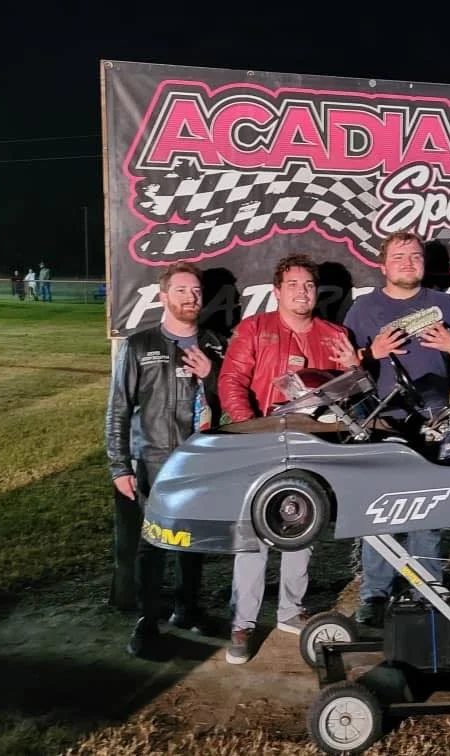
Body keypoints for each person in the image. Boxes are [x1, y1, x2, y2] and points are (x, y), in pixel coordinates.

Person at [218, 254, 358, 664]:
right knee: (253, 532)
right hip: (259, 443)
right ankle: (243, 622)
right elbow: (231, 381)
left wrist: (353, 369)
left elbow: (349, 394)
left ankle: (290, 609)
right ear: (277, 291)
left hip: (311, 446)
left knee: (302, 526)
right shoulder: (255, 329)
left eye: (309, 285)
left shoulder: (334, 334)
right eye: (293, 285)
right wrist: (251, 429)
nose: (302, 292)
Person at [343, 231, 450, 627]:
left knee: (428, 509)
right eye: (399, 256)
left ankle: (427, 589)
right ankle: (374, 594)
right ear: (383, 265)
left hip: (434, 421)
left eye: (415, 256)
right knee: (379, 512)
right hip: (383, 421)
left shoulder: (444, 304)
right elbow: (345, 364)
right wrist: (372, 353)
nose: (408, 263)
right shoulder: (363, 309)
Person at [106, 262, 225, 658]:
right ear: (163, 297)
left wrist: (212, 375)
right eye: (181, 290)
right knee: (153, 544)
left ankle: (187, 609)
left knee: (193, 540)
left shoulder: (216, 344)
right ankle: (147, 621)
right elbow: (118, 409)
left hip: (202, 461)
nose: (191, 297)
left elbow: (234, 401)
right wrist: (119, 465)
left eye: (196, 291)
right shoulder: (140, 345)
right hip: (153, 461)